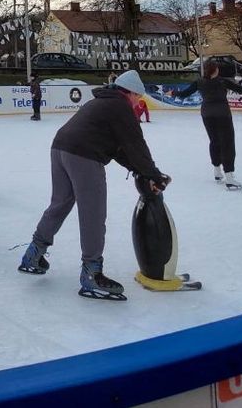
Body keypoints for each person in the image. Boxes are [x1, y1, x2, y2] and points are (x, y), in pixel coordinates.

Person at [18, 70, 170, 300]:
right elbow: (135, 145)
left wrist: (145, 172)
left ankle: (33, 254)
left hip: (60, 148)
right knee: (93, 213)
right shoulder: (119, 107)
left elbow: (119, 150)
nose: (138, 102)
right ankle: (91, 273)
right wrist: (154, 175)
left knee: (60, 203)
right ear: (128, 92)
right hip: (83, 155)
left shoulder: (102, 102)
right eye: (137, 97)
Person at [172, 60, 242, 190]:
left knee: (214, 141)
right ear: (216, 70)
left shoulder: (199, 82)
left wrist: (173, 93)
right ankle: (229, 177)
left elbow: (184, 93)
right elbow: (241, 89)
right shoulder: (222, 81)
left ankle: (217, 171)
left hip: (207, 114)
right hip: (222, 115)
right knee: (227, 143)